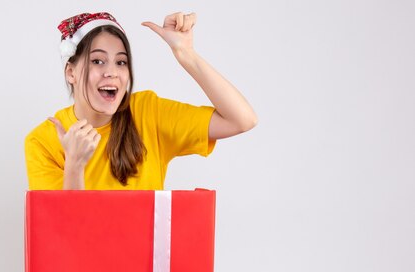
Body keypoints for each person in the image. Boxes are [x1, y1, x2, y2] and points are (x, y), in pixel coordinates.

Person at [25, 11, 257, 190]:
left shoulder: (148, 112)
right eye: (97, 61)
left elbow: (242, 120)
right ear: (70, 72)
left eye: (121, 62)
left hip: (147, 255)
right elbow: (65, 234)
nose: (112, 72)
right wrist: (74, 164)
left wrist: (186, 54)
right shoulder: (42, 141)